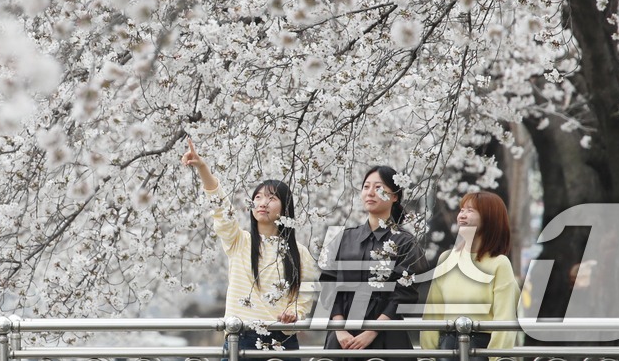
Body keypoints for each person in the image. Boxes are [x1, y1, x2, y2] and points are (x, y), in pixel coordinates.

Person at [182, 138, 317, 351]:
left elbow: (306, 293)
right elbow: (221, 210)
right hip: (241, 337)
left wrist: (295, 312)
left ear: (285, 207)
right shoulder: (239, 242)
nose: (262, 203)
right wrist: (202, 167)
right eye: (258, 197)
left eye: (271, 198)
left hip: (282, 340)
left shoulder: (300, 253)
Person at [319, 165, 427, 351]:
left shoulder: (405, 242)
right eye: (366, 187)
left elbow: (405, 293)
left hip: (386, 336)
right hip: (342, 338)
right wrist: (340, 329)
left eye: (378, 188)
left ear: (395, 196)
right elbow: (329, 283)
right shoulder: (344, 238)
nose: (370, 193)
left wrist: (372, 331)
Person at [419, 191, 519, 353]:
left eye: (470, 211)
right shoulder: (447, 259)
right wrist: (427, 355)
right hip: (447, 348)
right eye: (462, 210)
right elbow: (433, 314)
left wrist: (497, 356)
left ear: (489, 218)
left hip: (481, 349)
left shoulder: (499, 264)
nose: (462, 216)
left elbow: (504, 319)